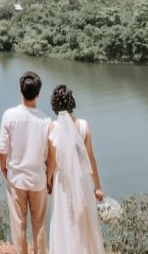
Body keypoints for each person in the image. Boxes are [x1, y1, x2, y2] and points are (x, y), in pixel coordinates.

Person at [45, 84, 106, 254]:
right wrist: (98, 187)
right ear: (72, 103)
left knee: (64, 221)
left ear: (55, 105)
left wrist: (48, 180)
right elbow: (91, 158)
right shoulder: (84, 126)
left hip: (62, 182)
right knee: (84, 223)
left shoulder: (53, 128)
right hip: (83, 180)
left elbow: (52, 160)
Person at [0, 70, 52, 254]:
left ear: (21, 91)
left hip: (16, 179)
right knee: (39, 225)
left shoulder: (9, 116)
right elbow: (50, 154)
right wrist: (49, 177)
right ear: (39, 94)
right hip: (38, 180)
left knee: (19, 225)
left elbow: (2, 149)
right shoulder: (46, 121)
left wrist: (4, 169)